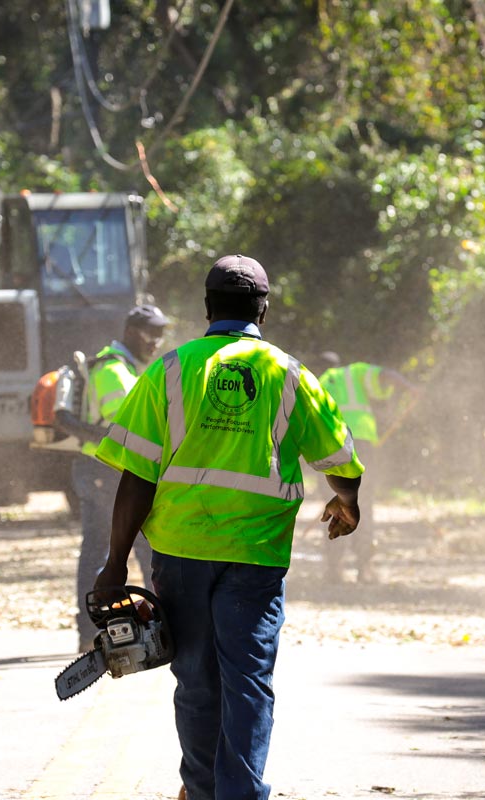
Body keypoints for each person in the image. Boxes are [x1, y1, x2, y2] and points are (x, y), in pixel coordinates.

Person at [93, 254, 364, 800]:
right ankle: (239, 794)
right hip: (256, 556)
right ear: (263, 309)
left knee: (195, 680)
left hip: (182, 553)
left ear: (207, 308)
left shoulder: (169, 371)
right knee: (247, 682)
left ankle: (198, 789)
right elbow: (341, 460)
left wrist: (115, 560)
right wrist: (347, 502)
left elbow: (137, 477)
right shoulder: (288, 374)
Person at [54, 303, 170, 650]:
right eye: (153, 334)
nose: (158, 342)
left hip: (104, 472)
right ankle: (140, 630)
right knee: (132, 552)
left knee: (106, 552)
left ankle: (94, 634)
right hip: (108, 473)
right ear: (133, 333)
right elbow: (133, 425)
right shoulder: (113, 371)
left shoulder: (124, 368)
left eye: (162, 334)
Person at [313, 352, 418, 583]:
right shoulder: (355, 372)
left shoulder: (317, 383)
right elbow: (387, 375)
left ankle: (333, 570)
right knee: (363, 503)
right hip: (362, 444)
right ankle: (365, 568)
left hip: (332, 448)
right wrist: (411, 388)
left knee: (333, 505)